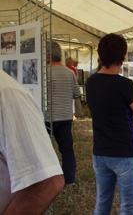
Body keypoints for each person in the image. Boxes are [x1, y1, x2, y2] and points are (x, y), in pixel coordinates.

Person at [86, 33, 133, 215]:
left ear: (101, 54)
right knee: (127, 208)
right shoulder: (124, 84)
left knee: (102, 203)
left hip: (100, 151)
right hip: (125, 153)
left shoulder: (90, 82)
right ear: (122, 57)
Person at [0, 70, 64, 214]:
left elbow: (48, 183)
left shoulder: (7, 94)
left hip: (61, 118)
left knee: (66, 148)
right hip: (63, 117)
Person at [45, 41, 81, 185]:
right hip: (65, 117)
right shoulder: (69, 72)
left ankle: (48, 180)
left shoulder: (42, 72)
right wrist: (78, 113)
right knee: (67, 150)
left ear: (46, 55)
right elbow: (76, 94)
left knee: (45, 149)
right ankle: (70, 179)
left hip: (47, 117)